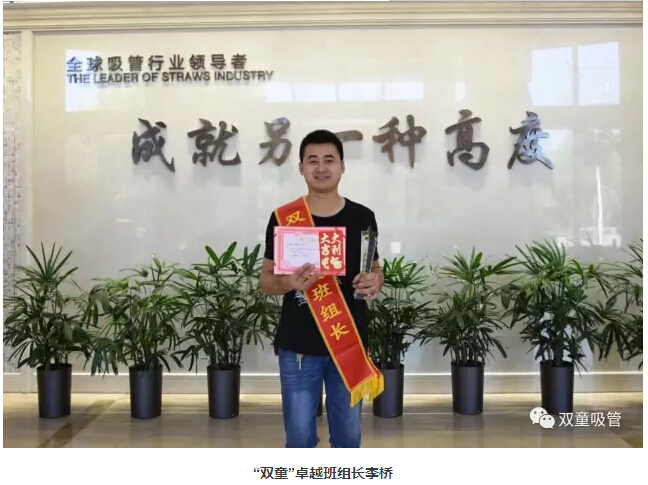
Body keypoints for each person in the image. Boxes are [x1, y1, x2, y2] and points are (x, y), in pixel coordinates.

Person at [260, 129, 384, 448]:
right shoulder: (284, 218)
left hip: (349, 341)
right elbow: (266, 281)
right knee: (299, 437)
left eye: (329, 160)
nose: (321, 167)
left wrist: (375, 281)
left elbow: (374, 269)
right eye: (312, 160)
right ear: (301, 168)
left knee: (348, 437)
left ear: (342, 166)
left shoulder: (362, 217)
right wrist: (289, 282)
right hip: (298, 346)